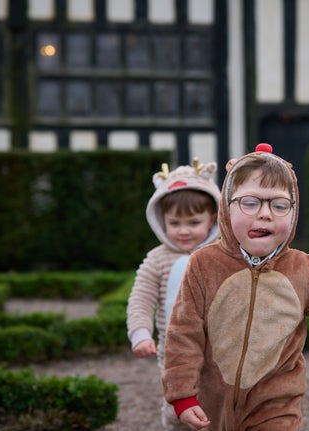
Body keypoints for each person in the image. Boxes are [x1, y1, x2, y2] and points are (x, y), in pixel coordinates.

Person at [162, 143, 309, 430]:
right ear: (226, 207)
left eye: (279, 204)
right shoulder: (203, 264)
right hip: (212, 401)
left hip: (276, 402)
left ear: (293, 211)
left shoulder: (304, 270)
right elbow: (184, 333)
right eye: (250, 202)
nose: (265, 213)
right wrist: (183, 394)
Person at [126, 158, 221, 431]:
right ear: (161, 220)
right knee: (177, 403)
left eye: (193, 222)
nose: (183, 230)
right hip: (173, 351)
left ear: (212, 219)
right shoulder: (157, 260)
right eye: (174, 222)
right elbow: (140, 299)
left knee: (219, 403)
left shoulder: (220, 255)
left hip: (219, 348)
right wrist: (140, 333)